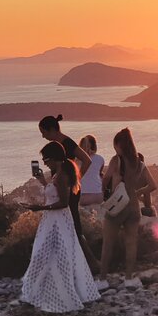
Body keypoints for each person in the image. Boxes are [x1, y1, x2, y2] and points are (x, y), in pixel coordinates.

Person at [20, 141, 100, 312]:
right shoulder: (58, 173)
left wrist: (40, 208)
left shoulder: (63, 174)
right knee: (45, 254)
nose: (45, 163)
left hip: (59, 220)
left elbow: (63, 203)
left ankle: (61, 295)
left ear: (55, 158)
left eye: (46, 159)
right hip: (51, 221)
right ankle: (39, 292)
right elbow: (54, 192)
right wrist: (42, 181)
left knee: (56, 255)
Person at [38, 115, 100, 271]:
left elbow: (87, 160)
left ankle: (93, 263)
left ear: (52, 129)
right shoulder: (55, 145)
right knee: (64, 226)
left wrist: (75, 181)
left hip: (69, 190)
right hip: (60, 187)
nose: (43, 136)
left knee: (74, 226)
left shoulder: (68, 143)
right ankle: (72, 264)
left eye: (44, 132)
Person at [100, 128, 154, 283]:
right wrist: (137, 193)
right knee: (131, 243)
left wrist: (105, 196)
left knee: (108, 243)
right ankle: (129, 278)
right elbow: (152, 185)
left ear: (119, 145)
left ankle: (103, 279)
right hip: (133, 206)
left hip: (118, 205)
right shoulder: (140, 163)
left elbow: (106, 179)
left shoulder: (116, 160)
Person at [78, 135, 105, 208]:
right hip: (99, 196)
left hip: (84, 197)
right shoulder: (100, 159)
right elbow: (99, 173)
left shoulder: (78, 160)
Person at [137, 153, 158, 217]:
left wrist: (139, 197)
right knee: (150, 211)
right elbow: (148, 204)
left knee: (150, 211)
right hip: (133, 209)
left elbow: (147, 203)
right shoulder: (143, 179)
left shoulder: (125, 173)